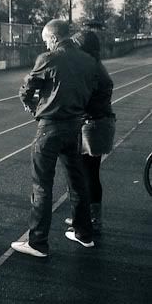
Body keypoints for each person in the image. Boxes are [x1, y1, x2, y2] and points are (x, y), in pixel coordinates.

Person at [11, 19, 99, 258]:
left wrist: (33, 108)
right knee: (77, 181)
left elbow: (26, 90)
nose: (46, 45)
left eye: (45, 41)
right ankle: (84, 233)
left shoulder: (48, 58)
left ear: (53, 37)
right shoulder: (88, 61)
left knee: (42, 185)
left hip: (50, 128)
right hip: (75, 127)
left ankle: (38, 242)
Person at [64, 30, 116, 233]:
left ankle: (92, 220)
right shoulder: (95, 67)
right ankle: (87, 215)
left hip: (93, 125)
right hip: (98, 123)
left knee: (88, 173)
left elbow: (83, 97)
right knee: (88, 172)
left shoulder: (91, 70)